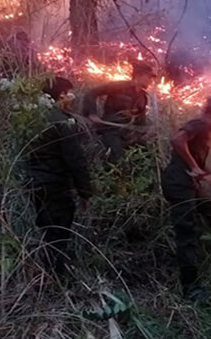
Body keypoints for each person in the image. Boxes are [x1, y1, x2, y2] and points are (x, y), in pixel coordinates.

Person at [161, 97, 211, 302]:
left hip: (187, 184)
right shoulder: (203, 123)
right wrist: (193, 167)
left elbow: (195, 160)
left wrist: (209, 176)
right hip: (178, 185)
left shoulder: (206, 128)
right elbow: (176, 140)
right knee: (187, 233)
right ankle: (190, 288)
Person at [26, 77, 94, 276]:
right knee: (58, 231)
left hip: (34, 183)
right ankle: (56, 277)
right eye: (69, 93)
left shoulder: (34, 116)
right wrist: (85, 192)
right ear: (62, 95)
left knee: (46, 227)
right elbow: (75, 159)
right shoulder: (63, 122)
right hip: (55, 185)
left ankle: (43, 273)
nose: (72, 98)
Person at [82, 62, 156, 166]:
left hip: (128, 134)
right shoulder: (119, 86)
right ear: (139, 75)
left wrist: (143, 132)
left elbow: (140, 120)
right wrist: (92, 113)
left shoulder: (143, 97)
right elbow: (91, 93)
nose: (150, 81)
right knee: (117, 158)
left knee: (146, 157)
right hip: (110, 130)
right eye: (148, 77)